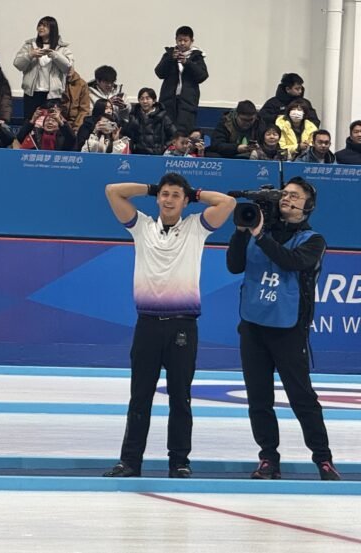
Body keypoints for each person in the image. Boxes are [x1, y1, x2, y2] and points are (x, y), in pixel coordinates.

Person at [102, 174, 236, 478]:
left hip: (182, 327)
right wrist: (150, 189)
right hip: (147, 325)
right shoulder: (142, 227)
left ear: (185, 201)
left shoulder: (196, 228)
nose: (169, 200)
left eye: (176, 195)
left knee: (180, 397)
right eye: (164, 194)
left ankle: (179, 462)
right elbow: (112, 190)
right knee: (140, 396)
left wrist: (195, 192)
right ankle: (130, 462)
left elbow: (227, 203)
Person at [225, 177, 340, 481]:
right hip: (253, 326)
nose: (287, 199)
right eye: (284, 194)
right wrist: (241, 231)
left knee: (302, 397)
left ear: (308, 206)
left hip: (289, 329)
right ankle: (267, 458)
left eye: (295, 196)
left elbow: (291, 261)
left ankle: (323, 459)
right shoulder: (257, 231)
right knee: (258, 398)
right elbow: (234, 266)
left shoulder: (313, 240)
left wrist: (260, 235)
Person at [13, 16, 74, 122]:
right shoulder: (29, 45)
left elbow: (68, 67)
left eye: (45, 26)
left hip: (52, 94)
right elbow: (17, 64)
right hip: (32, 93)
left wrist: (55, 55)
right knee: (30, 123)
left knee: (51, 123)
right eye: (39, 25)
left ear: (53, 28)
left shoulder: (62, 48)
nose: (41, 28)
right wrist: (30, 55)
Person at [154, 26, 208, 132]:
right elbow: (159, 73)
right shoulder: (169, 54)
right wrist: (170, 59)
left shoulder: (197, 56)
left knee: (183, 133)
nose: (182, 43)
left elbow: (202, 76)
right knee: (167, 131)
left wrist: (187, 63)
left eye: (185, 40)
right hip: (168, 101)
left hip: (187, 102)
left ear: (191, 41)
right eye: (179, 40)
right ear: (176, 40)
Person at [125, 87, 175, 156]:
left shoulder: (163, 117)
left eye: (148, 98)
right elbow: (127, 133)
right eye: (142, 99)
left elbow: (174, 135)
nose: (145, 101)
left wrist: (163, 147)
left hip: (156, 156)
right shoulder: (134, 116)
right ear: (139, 101)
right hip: (137, 155)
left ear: (154, 101)